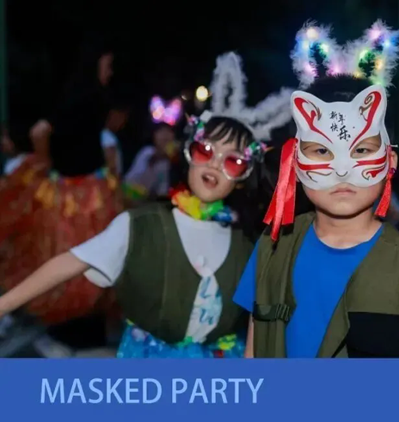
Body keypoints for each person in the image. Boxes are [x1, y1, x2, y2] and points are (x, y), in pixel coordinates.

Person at [0, 51, 292, 358]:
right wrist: (4, 304)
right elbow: (71, 261)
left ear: (243, 177)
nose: (215, 164)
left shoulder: (246, 243)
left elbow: (260, 314)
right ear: (189, 154)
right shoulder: (140, 225)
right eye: (205, 150)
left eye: (233, 161)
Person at [234, 21, 399, 358]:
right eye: (321, 151)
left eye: (361, 150)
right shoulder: (272, 250)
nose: (342, 169)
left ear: (390, 161)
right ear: (295, 163)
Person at [0, 43, 121, 330]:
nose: (109, 73)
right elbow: (39, 131)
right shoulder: (85, 96)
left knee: (75, 255)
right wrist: (44, 160)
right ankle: (72, 321)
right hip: (75, 192)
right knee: (76, 254)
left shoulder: (81, 95)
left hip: (85, 187)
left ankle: (75, 321)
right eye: (107, 66)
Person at [101, 103, 130, 178]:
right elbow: (112, 167)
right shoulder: (108, 137)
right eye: (122, 118)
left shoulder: (104, 135)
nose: (123, 123)